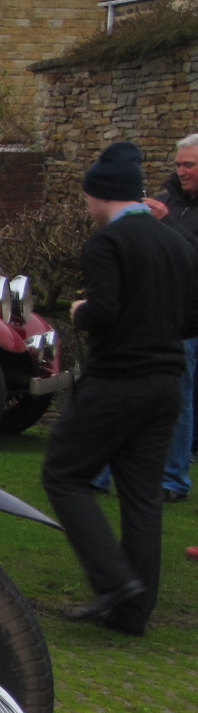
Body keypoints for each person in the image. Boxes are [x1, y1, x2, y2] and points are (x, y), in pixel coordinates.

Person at [41, 141, 198, 635]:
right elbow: (191, 317)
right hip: (165, 384)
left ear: (100, 194)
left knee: (64, 473)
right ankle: (132, 614)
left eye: (87, 198)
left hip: (117, 382)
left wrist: (79, 310)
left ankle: (112, 581)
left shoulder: (106, 243)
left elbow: (104, 312)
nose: (86, 208)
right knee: (142, 496)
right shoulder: (175, 241)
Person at [147, 134, 198, 495]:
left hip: (189, 319)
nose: (181, 171)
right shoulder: (166, 200)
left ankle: (174, 478)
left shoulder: (171, 211)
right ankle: (103, 474)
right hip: (156, 313)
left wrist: (166, 223)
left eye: (189, 165)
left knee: (179, 398)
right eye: (179, 164)